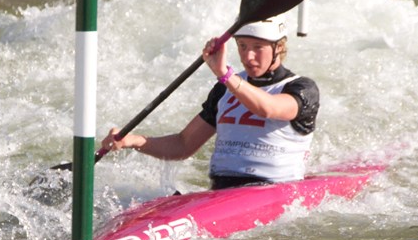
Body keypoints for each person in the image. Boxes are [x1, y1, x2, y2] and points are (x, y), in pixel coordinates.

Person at [100, 18, 320, 190]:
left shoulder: (301, 88)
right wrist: (133, 140)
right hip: (222, 192)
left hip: (274, 189)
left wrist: (225, 74)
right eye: (242, 46)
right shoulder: (224, 89)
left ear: (279, 47)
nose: (248, 56)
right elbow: (182, 145)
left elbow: (268, 108)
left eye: (258, 47)